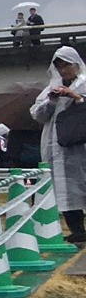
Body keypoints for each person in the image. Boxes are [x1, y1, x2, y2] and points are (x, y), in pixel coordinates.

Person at [30, 45, 86, 243]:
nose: (64, 71)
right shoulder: (50, 89)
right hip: (57, 146)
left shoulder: (84, 84)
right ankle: (78, 230)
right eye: (60, 67)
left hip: (81, 145)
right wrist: (52, 101)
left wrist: (76, 97)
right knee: (64, 189)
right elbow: (38, 115)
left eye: (67, 65)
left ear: (76, 64)